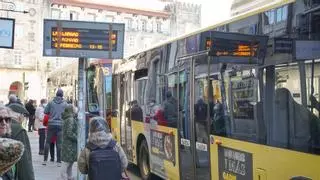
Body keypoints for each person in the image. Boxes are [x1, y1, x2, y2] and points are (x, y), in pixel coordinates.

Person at [7, 103, 35, 180]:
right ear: (19, 116)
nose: (23, 119)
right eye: (24, 116)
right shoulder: (18, 129)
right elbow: (25, 161)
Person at [43, 89, 67, 166]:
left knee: (47, 142)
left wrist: (52, 113)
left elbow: (45, 111)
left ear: (56, 94)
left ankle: (45, 160)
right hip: (60, 125)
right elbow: (67, 114)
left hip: (51, 124)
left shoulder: (50, 102)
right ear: (62, 95)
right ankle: (59, 161)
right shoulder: (65, 104)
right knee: (59, 144)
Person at [60, 104, 78, 180]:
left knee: (69, 162)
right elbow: (69, 133)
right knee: (66, 163)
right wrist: (78, 138)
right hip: (69, 145)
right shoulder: (70, 119)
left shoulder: (68, 118)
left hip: (68, 144)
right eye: (74, 108)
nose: (75, 109)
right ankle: (64, 177)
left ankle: (69, 177)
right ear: (71, 110)